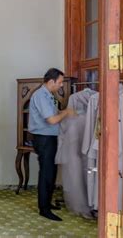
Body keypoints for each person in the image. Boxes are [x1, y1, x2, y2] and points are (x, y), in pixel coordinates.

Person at [29, 68, 76, 222]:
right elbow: (52, 120)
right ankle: (44, 209)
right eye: (60, 82)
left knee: (51, 172)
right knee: (46, 173)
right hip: (44, 139)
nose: (61, 85)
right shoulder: (41, 96)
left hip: (49, 138)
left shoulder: (48, 95)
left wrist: (63, 113)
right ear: (51, 82)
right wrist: (67, 112)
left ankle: (47, 204)